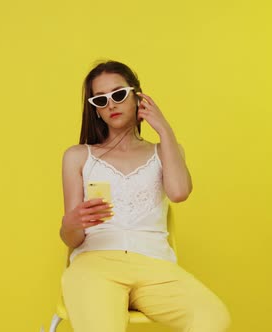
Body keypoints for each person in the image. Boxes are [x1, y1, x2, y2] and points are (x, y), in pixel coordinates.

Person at [59, 60, 230, 332]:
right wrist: (72, 222)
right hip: (95, 264)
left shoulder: (165, 152)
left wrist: (164, 128)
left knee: (212, 318)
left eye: (118, 94)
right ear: (96, 111)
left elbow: (179, 192)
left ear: (137, 96)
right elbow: (73, 238)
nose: (111, 104)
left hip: (156, 267)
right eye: (100, 100)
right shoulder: (78, 156)